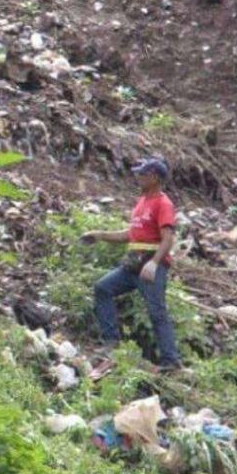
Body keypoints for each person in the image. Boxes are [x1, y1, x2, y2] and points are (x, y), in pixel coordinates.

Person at [81, 157, 182, 376]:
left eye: (142, 174)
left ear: (154, 177)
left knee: (157, 312)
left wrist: (154, 263)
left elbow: (168, 238)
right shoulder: (141, 202)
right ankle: (111, 343)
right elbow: (130, 235)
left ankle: (171, 362)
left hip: (150, 266)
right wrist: (99, 235)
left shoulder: (163, 204)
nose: (138, 177)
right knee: (103, 288)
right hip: (132, 264)